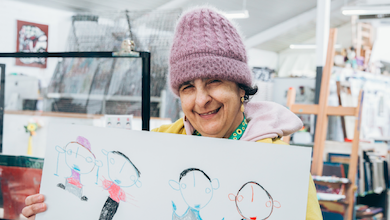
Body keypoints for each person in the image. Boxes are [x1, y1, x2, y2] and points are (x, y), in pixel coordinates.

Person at [22, 6, 322, 220]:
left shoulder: (281, 167)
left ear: (241, 88)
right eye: (188, 87)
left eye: (214, 81)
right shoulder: (155, 149)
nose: (201, 100)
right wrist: (55, 211)